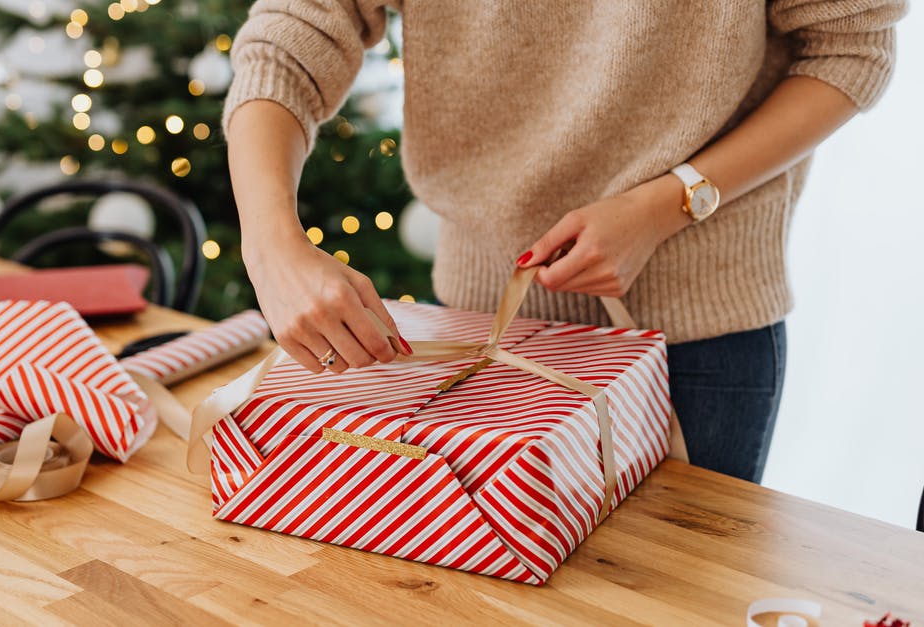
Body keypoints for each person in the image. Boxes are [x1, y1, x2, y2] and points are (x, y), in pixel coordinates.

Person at [222, 1, 905, 483]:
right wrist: (270, 246)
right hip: (473, 332)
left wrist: (670, 201)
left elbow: (852, 48)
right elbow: (291, 35)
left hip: (693, 350)